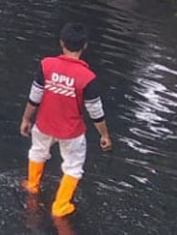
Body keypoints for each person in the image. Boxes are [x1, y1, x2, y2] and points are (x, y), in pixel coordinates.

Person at [20, 23, 113, 217]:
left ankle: (32, 186)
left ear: (61, 43)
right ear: (84, 46)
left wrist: (26, 119)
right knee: (73, 166)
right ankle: (60, 206)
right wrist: (104, 135)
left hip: (43, 125)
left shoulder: (46, 65)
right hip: (71, 132)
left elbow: (34, 96)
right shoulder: (87, 77)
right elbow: (95, 111)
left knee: (37, 152)